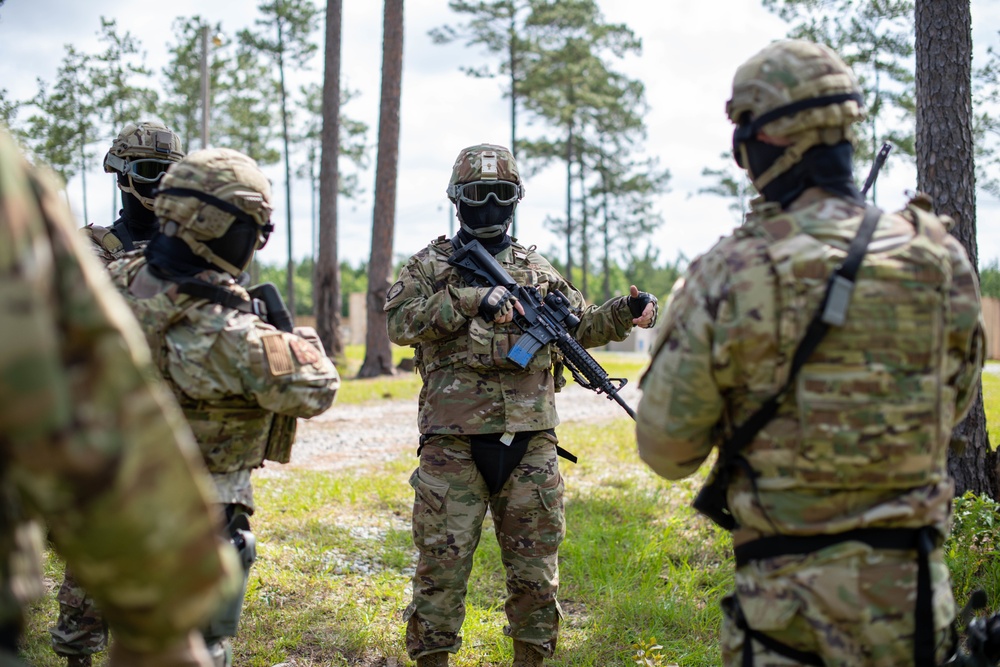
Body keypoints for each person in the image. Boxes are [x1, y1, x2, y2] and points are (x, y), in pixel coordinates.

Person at [635, 39, 985, 667]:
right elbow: (953, 405)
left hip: (785, 618)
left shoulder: (727, 273)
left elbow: (667, 452)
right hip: (912, 611)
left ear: (763, 141)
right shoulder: (940, 259)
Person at [385, 143, 657, 667]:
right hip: (452, 447)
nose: (488, 205)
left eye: (499, 195)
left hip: (531, 444)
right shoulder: (429, 265)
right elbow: (400, 323)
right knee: (440, 575)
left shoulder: (538, 269)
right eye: (477, 195)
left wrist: (626, 310)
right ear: (457, 200)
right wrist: (470, 300)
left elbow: (580, 329)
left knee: (536, 580)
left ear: (515, 200)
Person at [0, 127, 241, 667]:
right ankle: (80, 651)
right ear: (122, 175)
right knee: (94, 564)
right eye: (151, 174)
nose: (161, 189)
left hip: (184, 416)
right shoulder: (85, 248)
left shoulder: (196, 251)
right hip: (104, 418)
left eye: (172, 176)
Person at [107, 146, 341, 667]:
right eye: (256, 228)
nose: (258, 241)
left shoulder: (113, 280)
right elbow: (317, 388)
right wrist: (292, 334)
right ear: (220, 226)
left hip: (113, 494)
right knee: (199, 649)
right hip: (200, 513)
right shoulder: (230, 332)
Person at [81, 121, 185, 265]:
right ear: (122, 176)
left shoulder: (197, 248)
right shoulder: (87, 251)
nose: (161, 182)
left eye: (171, 173)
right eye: (149, 170)